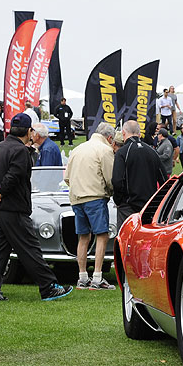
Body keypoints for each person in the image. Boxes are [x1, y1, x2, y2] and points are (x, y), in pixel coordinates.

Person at [0, 113, 72, 302]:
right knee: (30, 248)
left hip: (0, 209)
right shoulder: (20, 151)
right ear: (29, 131)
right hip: (14, 209)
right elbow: (13, 176)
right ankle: (48, 287)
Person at [65, 123, 116, 290]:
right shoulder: (105, 150)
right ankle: (97, 276)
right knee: (102, 236)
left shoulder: (78, 149)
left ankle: (82, 276)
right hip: (95, 197)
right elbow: (110, 177)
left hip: (76, 198)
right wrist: (111, 191)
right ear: (109, 138)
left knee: (83, 237)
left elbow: (66, 177)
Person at [112, 120, 167, 225]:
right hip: (149, 206)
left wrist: (118, 200)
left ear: (123, 133)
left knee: (126, 239)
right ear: (139, 134)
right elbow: (164, 180)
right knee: (146, 239)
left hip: (128, 207)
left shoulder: (122, 153)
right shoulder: (152, 152)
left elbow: (117, 181)